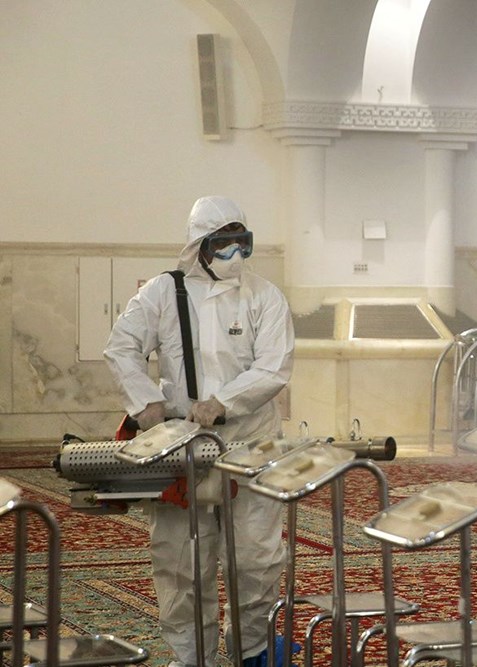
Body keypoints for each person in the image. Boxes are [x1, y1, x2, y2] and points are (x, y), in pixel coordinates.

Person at [104, 196, 295, 667]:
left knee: (256, 556)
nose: (235, 254)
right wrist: (145, 402)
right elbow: (122, 346)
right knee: (181, 560)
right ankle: (193, 657)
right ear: (199, 245)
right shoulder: (162, 293)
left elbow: (273, 367)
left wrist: (223, 402)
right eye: (223, 244)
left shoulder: (265, 296)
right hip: (181, 446)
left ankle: (252, 649)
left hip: (251, 444)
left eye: (242, 242)